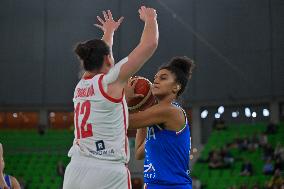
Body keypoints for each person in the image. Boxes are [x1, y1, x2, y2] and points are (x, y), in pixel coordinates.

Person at [63, 6, 159, 189]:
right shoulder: (110, 82)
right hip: (107, 171)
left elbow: (103, 57)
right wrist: (151, 19)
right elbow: (150, 44)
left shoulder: (81, 85)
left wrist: (108, 33)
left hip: (75, 169)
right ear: (108, 59)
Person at [126, 56, 195, 189]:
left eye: (163, 78)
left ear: (176, 87)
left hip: (172, 186)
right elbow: (139, 152)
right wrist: (141, 109)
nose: (156, 81)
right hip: (153, 185)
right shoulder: (156, 117)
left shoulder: (170, 111)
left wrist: (127, 101)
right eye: (155, 78)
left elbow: (125, 122)